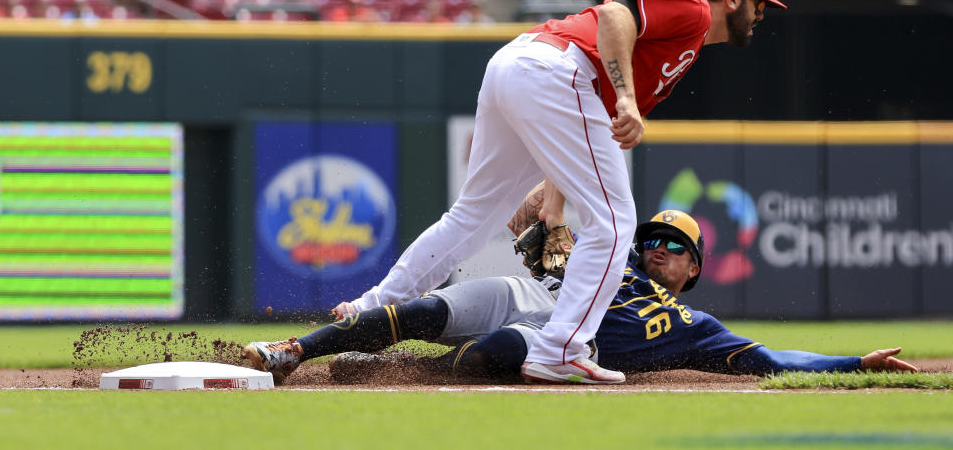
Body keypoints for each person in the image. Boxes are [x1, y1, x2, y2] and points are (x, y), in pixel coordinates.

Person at [329, 0, 787, 384]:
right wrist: (626, 97)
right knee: (614, 222)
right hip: (558, 71)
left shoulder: (681, 49)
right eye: (757, 4)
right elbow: (613, 17)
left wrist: (554, 203)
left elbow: (583, 133)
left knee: (471, 217)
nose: (761, 15)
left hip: (522, 67)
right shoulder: (694, 8)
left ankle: (366, 313)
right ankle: (561, 350)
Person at [241, 208, 917, 385]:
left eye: (676, 248)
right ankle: (291, 352)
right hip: (529, 295)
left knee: (494, 354)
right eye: (653, 239)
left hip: (561, 338)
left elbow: (771, 359)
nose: (660, 249)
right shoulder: (600, 254)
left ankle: (382, 372)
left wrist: (853, 364)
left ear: (693, 271)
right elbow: (540, 220)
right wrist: (544, 211)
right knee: (424, 310)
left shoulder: (693, 324)